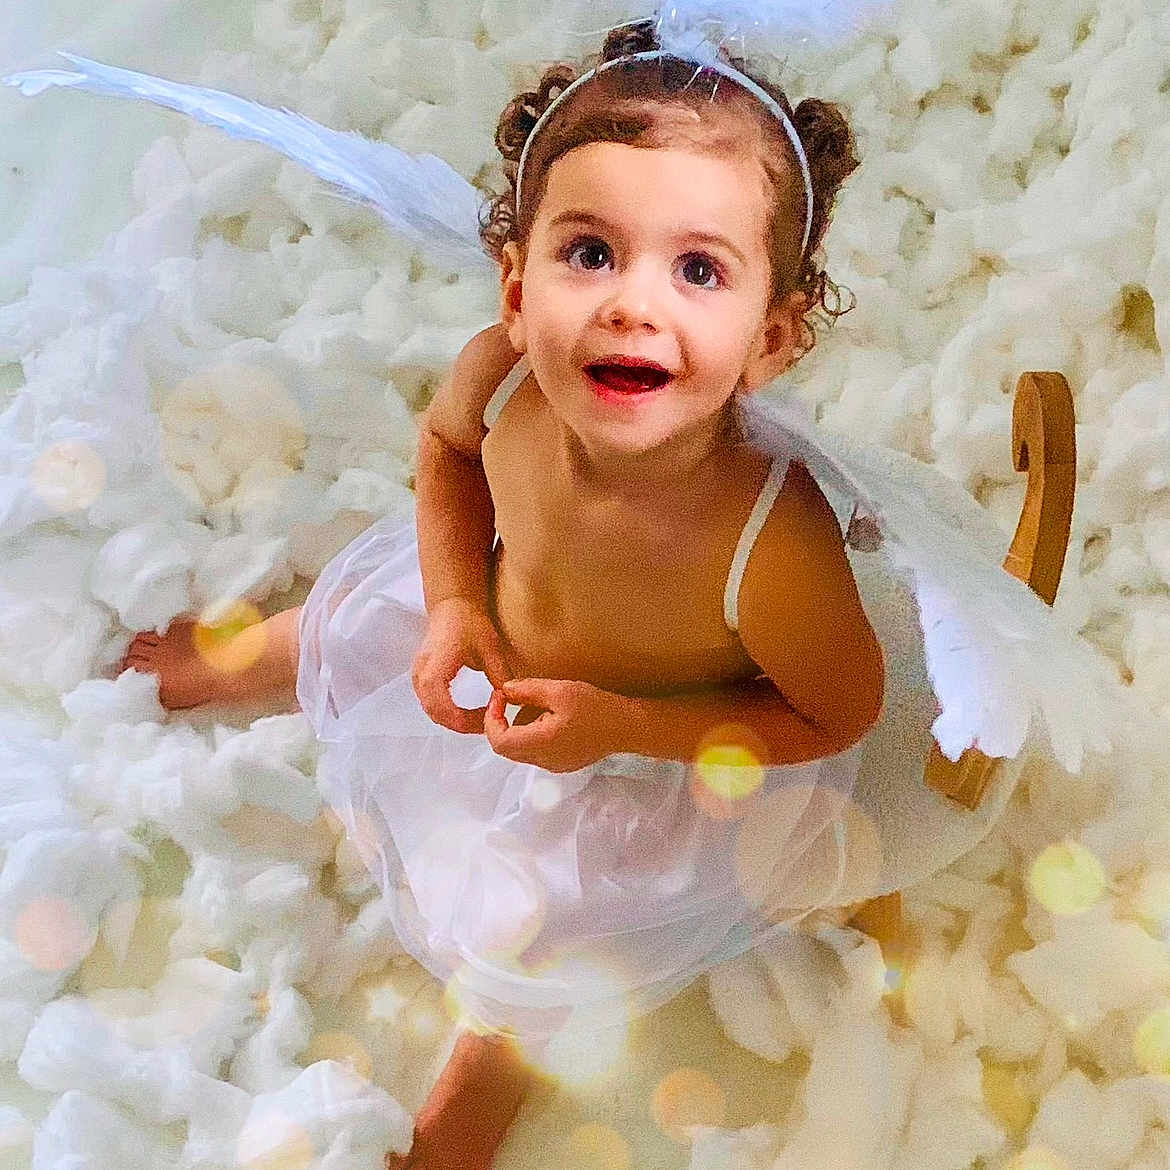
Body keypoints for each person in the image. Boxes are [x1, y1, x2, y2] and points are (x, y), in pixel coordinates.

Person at [115, 19, 885, 1167]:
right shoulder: (505, 374)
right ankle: (262, 658)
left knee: (551, 936)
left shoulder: (769, 543)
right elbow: (445, 460)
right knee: (348, 618)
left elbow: (837, 713)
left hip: (641, 752)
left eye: (698, 269)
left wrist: (629, 725)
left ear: (771, 337)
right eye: (591, 253)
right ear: (519, 289)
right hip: (483, 628)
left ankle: (495, 1061)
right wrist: (451, 603)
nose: (633, 304)